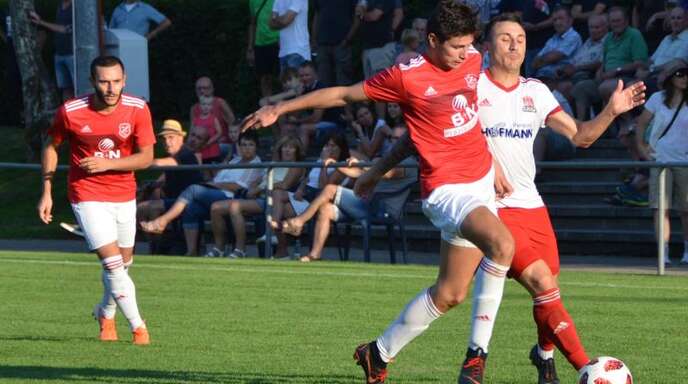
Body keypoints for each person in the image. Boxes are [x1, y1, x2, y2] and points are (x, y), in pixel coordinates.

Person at [357, 13, 646, 383]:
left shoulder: (536, 92)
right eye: (505, 37)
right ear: (487, 46)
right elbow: (418, 136)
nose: (514, 44)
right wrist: (376, 170)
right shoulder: (467, 85)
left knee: (478, 292)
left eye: (521, 38)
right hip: (488, 205)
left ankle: (542, 356)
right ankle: (590, 371)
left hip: (532, 206)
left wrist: (611, 110)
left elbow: (582, 137)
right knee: (542, 282)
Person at [241, 3, 515, 383]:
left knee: (451, 294)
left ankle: (377, 353)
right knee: (503, 245)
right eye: (456, 47)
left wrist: (376, 170)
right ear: (432, 40)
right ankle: (476, 359)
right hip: (448, 190)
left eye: (469, 46)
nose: (465, 54)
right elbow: (342, 94)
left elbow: (426, 133)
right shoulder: (407, 76)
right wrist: (280, 107)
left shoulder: (471, 60)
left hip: (482, 182)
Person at [37, 55, 155, 345]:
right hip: (86, 194)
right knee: (114, 265)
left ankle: (106, 312)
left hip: (124, 194)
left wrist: (107, 164)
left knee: (123, 266)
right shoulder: (71, 111)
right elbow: (51, 146)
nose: (111, 87)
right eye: (104, 81)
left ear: (124, 80)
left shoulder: (138, 108)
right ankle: (139, 328)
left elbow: (146, 157)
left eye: (116, 81)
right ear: (92, 82)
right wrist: (47, 190)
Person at [282, 126, 415, 262]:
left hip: (383, 209)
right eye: (392, 138)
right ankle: (315, 255)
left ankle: (299, 221)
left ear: (409, 142)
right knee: (325, 209)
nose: (395, 142)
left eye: (399, 139)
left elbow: (387, 173)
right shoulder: (386, 160)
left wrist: (360, 164)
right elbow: (359, 173)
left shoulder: (410, 163)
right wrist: (337, 165)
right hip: (368, 204)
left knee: (330, 189)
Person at [140, 131, 264, 256]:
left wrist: (214, 185)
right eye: (243, 145)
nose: (246, 148)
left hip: (230, 196)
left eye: (250, 145)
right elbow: (218, 178)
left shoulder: (257, 164)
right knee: (191, 207)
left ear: (256, 147)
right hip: (216, 192)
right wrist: (213, 183)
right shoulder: (234, 161)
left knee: (194, 189)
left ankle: (162, 222)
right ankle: (192, 251)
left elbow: (239, 187)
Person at [207, 135, 305, 258]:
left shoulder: (297, 165)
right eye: (284, 147)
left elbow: (285, 185)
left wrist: (259, 188)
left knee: (235, 206)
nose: (287, 150)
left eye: (291, 148)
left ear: (297, 151)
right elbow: (257, 181)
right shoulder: (274, 164)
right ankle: (219, 248)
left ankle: (240, 249)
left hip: (274, 200)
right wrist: (254, 188)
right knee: (216, 207)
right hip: (260, 197)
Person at [635, 62, 688, 266]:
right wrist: (642, 148)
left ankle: (686, 250)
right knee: (660, 208)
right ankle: (663, 252)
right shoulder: (658, 98)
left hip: (685, 161)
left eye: (686, 74)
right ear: (670, 77)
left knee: (686, 209)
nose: (684, 78)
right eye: (680, 74)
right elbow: (641, 123)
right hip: (660, 160)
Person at [267, 133, 351, 258]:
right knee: (277, 196)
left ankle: (279, 246)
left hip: (319, 199)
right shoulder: (319, 160)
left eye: (333, 146)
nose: (329, 148)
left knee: (282, 210)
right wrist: (300, 189)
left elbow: (325, 187)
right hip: (306, 193)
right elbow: (308, 179)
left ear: (341, 148)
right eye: (327, 145)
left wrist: (324, 164)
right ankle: (279, 245)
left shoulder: (341, 166)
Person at [137, 120, 204, 254]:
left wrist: (135, 161)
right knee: (142, 207)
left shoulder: (185, 154)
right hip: (175, 200)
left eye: (171, 137)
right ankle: (155, 245)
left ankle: (156, 249)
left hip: (188, 202)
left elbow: (159, 163)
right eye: (164, 139)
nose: (167, 142)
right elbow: (163, 178)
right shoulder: (174, 156)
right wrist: (150, 186)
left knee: (149, 207)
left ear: (181, 137)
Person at [29, 0, 74, 101]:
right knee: (65, 89)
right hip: (59, 54)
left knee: (78, 88)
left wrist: (41, 22)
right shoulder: (59, 6)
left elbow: (66, 29)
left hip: (73, 54)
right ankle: (66, 115)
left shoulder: (76, 7)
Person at [311, 0, 359, 87]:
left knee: (344, 81)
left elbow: (358, 16)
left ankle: (346, 101)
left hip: (342, 43)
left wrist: (347, 39)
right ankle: (325, 100)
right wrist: (314, 39)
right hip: (322, 43)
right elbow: (316, 15)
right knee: (323, 81)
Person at [531, 6, 582, 79]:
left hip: (562, 78)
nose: (557, 22)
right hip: (543, 76)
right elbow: (534, 63)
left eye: (561, 19)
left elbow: (553, 57)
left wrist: (544, 59)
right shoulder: (553, 39)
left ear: (570, 20)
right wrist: (548, 58)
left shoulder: (574, 36)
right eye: (555, 20)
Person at [190, 76, 236, 147]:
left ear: (212, 89)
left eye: (205, 88)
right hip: (202, 145)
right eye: (199, 89)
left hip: (222, 144)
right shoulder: (194, 109)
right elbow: (193, 131)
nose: (202, 91)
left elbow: (233, 123)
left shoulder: (220, 103)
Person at [248, 0, 280, 98]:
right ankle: (267, 107)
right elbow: (253, 24)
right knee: (264, 79)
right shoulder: (253, 1)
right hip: (260, 44)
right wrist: (250, 48)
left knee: (282, 77)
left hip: (277, 42)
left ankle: (284, 107)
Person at [270, 0, 310, 73]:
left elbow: (285, 21)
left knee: (297, 83)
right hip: (283, 51)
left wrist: (276, 18)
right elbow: (271, 25)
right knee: (285, 83)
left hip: (298, 51)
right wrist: (284, 18)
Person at [193, 96, 223, 164]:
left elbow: (219, 132)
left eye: (208, 104)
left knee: (215, 171)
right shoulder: (196, 120)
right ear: (200, 106)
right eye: (203, 104)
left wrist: (209, 142)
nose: (206, 106)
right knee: (204, 171)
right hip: (200, 150)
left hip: (213, 150)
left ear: (211, 106)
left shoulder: (214, 118)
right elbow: (193, 134)